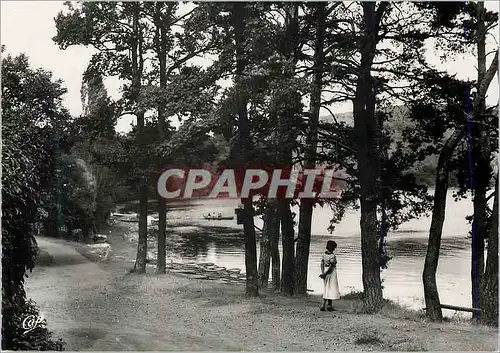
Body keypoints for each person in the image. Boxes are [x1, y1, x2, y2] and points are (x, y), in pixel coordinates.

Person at [319, 240, 340, 311]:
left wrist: (323, 272)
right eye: (334, 248)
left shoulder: (324, 255)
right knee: (330, 288)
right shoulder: (332, 256)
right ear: (333, 248)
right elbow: (331, 267)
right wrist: (325, 273)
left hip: (325, 271)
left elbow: (322, 264)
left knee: (327, 288)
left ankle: (325, 305)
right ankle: (327, 305)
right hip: (331, 273)